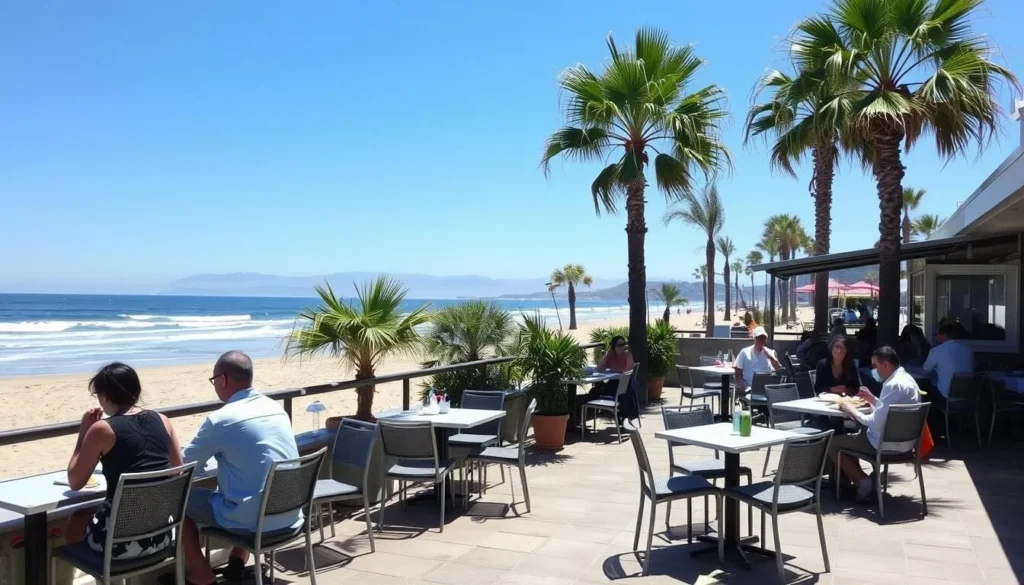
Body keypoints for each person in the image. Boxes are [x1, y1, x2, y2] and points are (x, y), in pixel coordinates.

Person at [180, 351, 301, 585]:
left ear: (223, 380)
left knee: (178, 499)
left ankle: (201, 574)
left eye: (214, 381)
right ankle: (236, 562)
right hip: (291, 517)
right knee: (248, 483)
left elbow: (185, 468)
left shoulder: (222, 419)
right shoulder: (275, 408)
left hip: (254, 525)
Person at [64, 363, 184, 559]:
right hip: (160, 538)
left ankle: (97, 572)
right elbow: (177, 471)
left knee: (77, 519)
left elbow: (75, 481)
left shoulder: (102, 429)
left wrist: (84, 431)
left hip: (118, 546)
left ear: (106, 395)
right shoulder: (163, 420)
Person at [829, 347, 921, 502]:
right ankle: (862, 481)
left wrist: (852, 410)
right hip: (907, 444)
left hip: (885, 445)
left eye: (875, 366)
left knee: (833, 444)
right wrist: (873, 400)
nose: (874, 371)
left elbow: (875, 424)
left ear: (885, 365)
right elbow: (892, 411)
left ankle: (863, 483)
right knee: (853, 437)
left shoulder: (892, 385)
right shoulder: (907, 380)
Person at [920, 322, 974, 425]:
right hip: (969, 396)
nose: (935, 337)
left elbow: (925, 372)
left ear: (944, 335)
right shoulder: (968, 349)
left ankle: (932, 429)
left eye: (937, 334)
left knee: (924, 390)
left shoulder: (937, 350)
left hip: (946, 397)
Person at [585, 336, 638, 422]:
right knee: (594, 391)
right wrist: (608, 354)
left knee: (621, 394)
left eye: (624, 344)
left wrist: (614, 369)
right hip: (613, 383)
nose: (622, 347)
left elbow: (628, 369)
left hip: (626, 385)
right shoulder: (611, 355)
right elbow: (600, 367)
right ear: (613, 346)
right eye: (619, 345)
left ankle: (624, 417)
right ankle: (590, 416)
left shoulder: (627, 354)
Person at [733, 326, 781, 392]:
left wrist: (771, 358)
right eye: (759, 338)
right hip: (748, 387)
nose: (762, 340)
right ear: (754, 338)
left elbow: (779, 370)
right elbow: (737, 369)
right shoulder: (744, 352)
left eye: (764, 338)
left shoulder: (771, 352)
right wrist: (740, 382)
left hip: (766, 388)